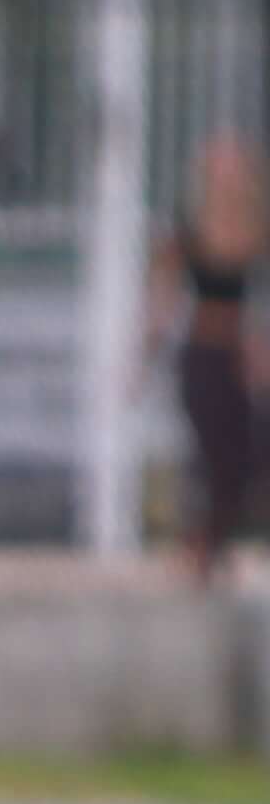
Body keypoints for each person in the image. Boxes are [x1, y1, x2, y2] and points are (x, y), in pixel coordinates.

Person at [165, 135, 263, 583]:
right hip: (202, 352)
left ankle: (214, 543)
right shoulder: (190, 230)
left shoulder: (254, 228)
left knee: (243, 454)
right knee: (211, 451)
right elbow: (164, 297)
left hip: (237, 354)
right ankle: (199, 548)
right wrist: (140, 356)